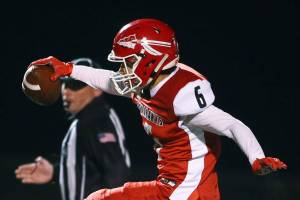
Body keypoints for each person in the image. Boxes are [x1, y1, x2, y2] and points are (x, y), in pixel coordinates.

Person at [27, 19, 287, 200]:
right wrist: (69, 69)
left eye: (128, 62)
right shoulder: (141, 83)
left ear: (151, 58)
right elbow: (107, 80)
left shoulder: (180, 94)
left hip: (183, 191)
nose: (123, 69)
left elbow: (231, 124)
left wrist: (256, 157)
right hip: (180, 187)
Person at [15, 58, 131, 200]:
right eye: (64, 84)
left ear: (98, 89)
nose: (67, 91)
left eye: (75, 85)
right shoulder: (86, 119)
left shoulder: (98, 120)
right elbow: (91, 170)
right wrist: (56, 172)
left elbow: (116, 175)